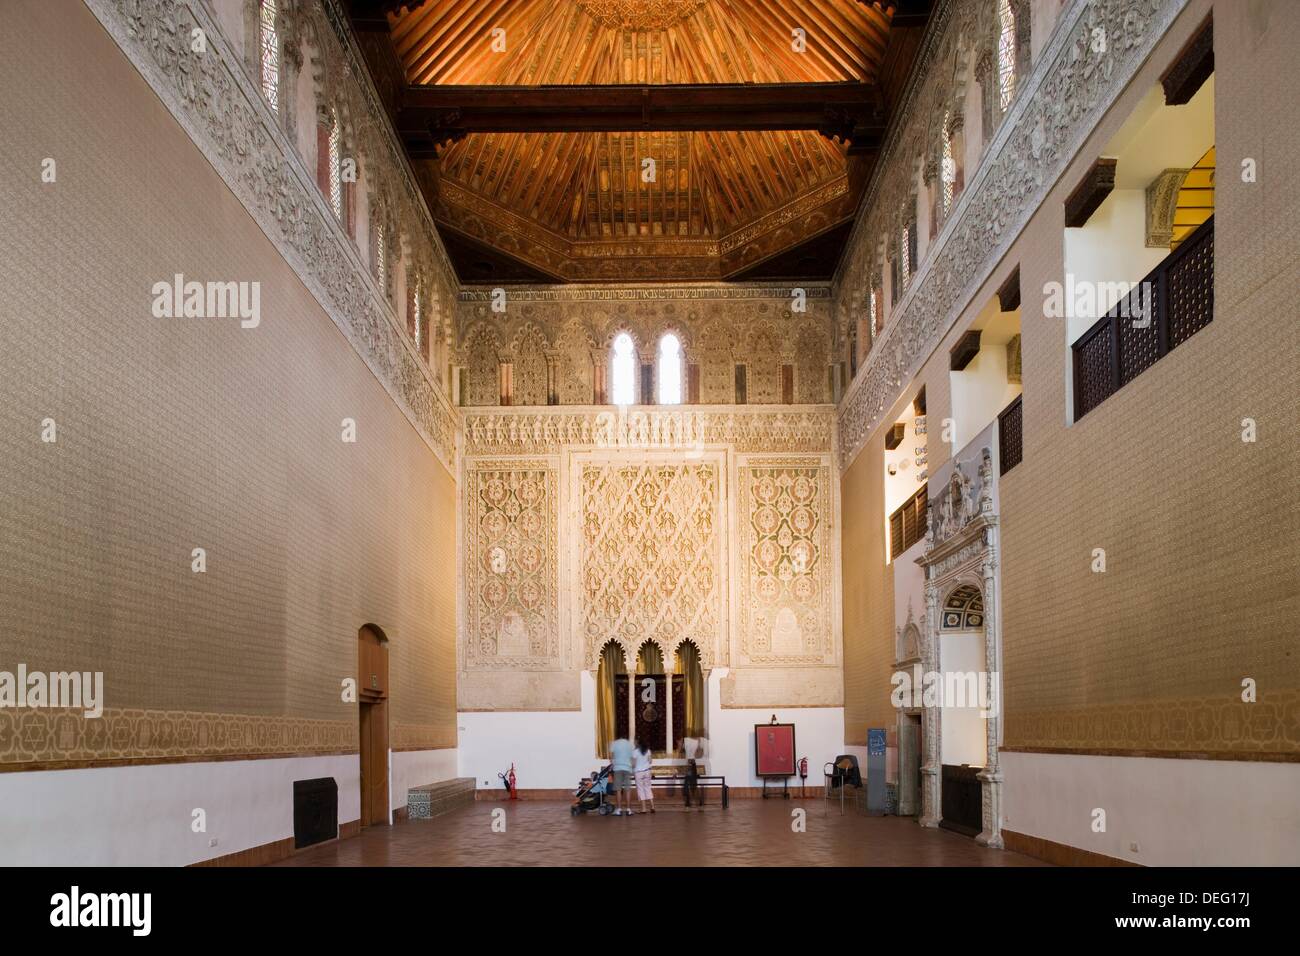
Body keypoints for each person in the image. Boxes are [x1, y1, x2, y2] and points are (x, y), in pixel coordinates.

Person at [609, 733, 634, 816]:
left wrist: (613, 763)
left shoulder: (614, 743)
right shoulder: (630, 744)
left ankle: (619, 809)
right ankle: (629, 809)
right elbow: (632, 758)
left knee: (618, 790)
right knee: (627, 789)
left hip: (617, 768)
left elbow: (611, 756)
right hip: (627, 768)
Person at [633, 737, 655, 814]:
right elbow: (650, 761)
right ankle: (652, 807)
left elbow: (634, 764)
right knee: (648, 788)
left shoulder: (635, 752)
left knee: (640, 789)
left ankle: (644, 809)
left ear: (638, 743)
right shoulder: (648, 751)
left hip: (639, 772)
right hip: (647, 772)